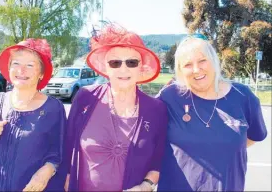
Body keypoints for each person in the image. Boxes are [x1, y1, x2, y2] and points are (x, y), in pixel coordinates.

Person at [63, 24, 168, 191]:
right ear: (105, 67)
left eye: (132, 62)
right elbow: (67, 147)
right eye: (115, 62)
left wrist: (145, 186)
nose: (123, 69)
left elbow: (159, 159)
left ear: (141, 67)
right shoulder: (85, 98)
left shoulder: (157, 109)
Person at [156, 34, 267, 191]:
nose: (196, 70)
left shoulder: (242, 96)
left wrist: (221, 146)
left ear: (214, 60)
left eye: (202, 61)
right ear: (180, 69)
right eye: (187, 64)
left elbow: (252, 137)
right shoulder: (169, 96)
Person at [0, 38, 67, 191]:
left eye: (30, 65)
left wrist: (46, 172)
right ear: (9, 69)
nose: (21, 70)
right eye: (16, 63)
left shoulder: (53, 108)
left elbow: (60, 152)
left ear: (41, 73)